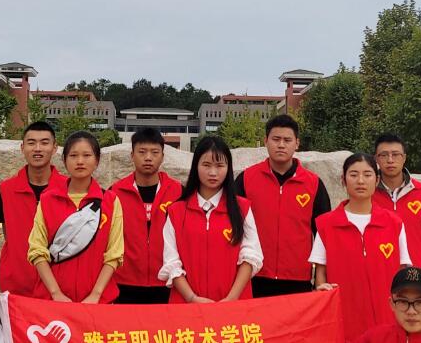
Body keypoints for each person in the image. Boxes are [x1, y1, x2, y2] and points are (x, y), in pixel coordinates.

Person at [311, 152, 411, 343]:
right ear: (343, 181)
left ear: (377, 180)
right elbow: (319, 275)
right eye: (353, 174)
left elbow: (404, 275)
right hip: (345, 329)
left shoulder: (393, 224)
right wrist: (320, 290)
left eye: (367, 174)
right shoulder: (326, 225)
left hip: (386, 329)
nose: (360, 180)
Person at [234, 113, 331, 296]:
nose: (281, 145)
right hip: (255, 275)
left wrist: (320, 278)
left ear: (297, 143)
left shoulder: (313, 184)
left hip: (298, 279)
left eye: (287, 140)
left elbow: (323, 235)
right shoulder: (246, 179)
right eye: (275, 139)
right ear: (266, 141)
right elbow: (232, 226)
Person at [160, 135, 262, 302]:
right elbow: (171, 261)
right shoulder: (176, 211)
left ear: (228, 168)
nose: (213, 172)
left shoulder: (242, 209)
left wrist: (232, 298)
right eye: (206, 165)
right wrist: (192, 298)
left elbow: (251, 256)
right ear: (196, 166)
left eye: (220, 165)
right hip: (186, 305)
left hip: (233, 305)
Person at [27, 130, 124, 303]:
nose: (80, 161)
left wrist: (96, 295)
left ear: (97, 160)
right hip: (52, 300)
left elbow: (114, 253)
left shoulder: (110, 201)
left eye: (87, 155)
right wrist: (55, 293)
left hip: (99, 302)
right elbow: (36, 249)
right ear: (64, 160)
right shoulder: (48, 200)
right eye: (73, 155)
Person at [108, 127, 184, 304]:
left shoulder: (178, 192)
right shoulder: (115, 193)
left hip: (167, 281)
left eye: (154, 152)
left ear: (162, 156)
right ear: (132, 155)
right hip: (124, 283)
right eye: (142, 152)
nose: (148, 157)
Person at [0, 121, 60, 298]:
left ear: (54, 148)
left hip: (57, 286)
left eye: (44, 143)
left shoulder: (66, 189)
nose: (38, 149)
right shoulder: (7, 189)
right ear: (22, 148)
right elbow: (8, 234)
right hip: (16, 284)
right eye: (31, 143)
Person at [372, 133, 421, 290]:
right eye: (384, 155)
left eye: (396, 154)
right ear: (376, 159)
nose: (390, 160)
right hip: (377, 280)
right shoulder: (368, 195)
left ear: (404, 158)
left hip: (417, 281)